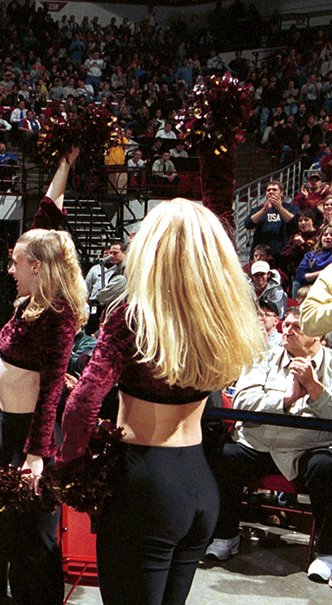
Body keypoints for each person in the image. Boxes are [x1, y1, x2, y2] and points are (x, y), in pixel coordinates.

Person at [56, 198, 267, 605]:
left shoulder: (132, 317)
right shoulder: (220, 319)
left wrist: (69, 472)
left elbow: (82, 405)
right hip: (201, 485)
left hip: (145, 487)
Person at [0, 149, 88, 605]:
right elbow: (46, 216)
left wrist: (36, 454)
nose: (9, 270)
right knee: (13, 536)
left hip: (32, 437)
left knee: (36, 542)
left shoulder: (58, 313)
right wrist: (64, 167)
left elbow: (53, 386)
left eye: (16, 263)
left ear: (37, 266)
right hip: (5, 430)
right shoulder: (29, 301)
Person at [206, 307, 332, 586]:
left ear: (317, 335)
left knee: (326, 467)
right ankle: (226, 534)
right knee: (225, 455)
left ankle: (326, 553)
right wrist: (286, 398)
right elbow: (243, 400)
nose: (286, 331)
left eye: (296, 327)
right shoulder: (264, 356)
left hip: (306, 448)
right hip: (259, 442)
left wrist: (315, 389)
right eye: (285, 325)